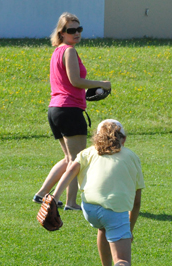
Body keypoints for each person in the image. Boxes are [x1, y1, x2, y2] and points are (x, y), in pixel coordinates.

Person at [50, 119, 144, 266]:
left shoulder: (88, 152)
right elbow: (136, 201)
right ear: (123, 139)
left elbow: (70, 171)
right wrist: (130, 228)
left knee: (103, 227)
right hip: (114, 210)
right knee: (124, 261)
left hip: (90, 209)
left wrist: (54, 197)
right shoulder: (131, 156)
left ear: (96, 138)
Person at [33, 12, 111, 210]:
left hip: (56, 110)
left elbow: (67, 83)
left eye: (79, 29)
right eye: (71, 30)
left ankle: (42, 194)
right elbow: (75, 81)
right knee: (78, 160)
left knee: (70, 159)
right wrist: (102, 84)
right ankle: (70, 202)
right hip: (69, 110)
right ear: (62, 32)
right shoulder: (69, 51)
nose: (76, 33)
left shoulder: (57, 51)